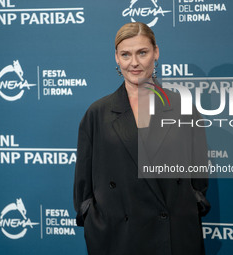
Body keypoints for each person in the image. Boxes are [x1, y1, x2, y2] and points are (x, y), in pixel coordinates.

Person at [73, 22, 209, 255]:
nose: (134, 63)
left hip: (173, 237)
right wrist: (94, 220)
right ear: (116, 57)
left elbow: (199, 178)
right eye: (125, 54)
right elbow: (83, 186)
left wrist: (189, 207)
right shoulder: (97, 113)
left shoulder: (183, 108)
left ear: (156, 52)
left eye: (142, 53)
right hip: (117, 238)